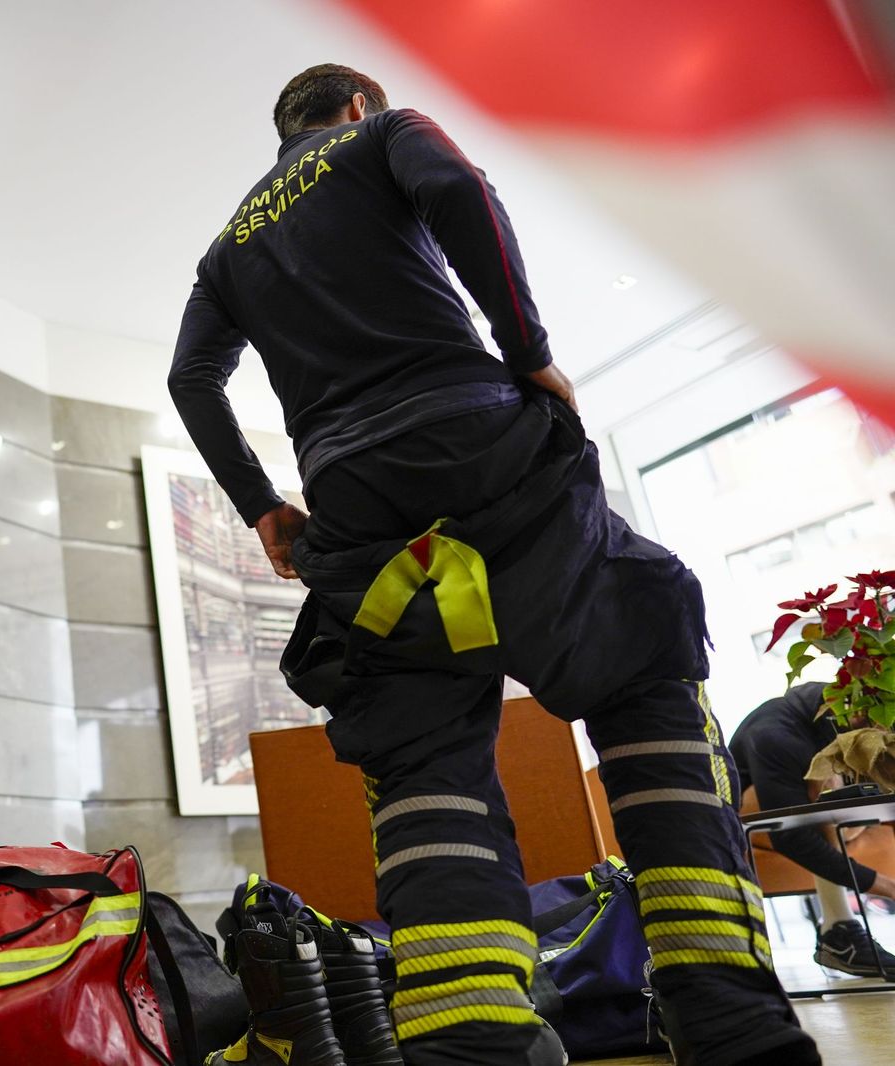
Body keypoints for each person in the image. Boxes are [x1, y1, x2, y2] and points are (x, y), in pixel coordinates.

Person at [168, 64, 819, 1066]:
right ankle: (725, 1017)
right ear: (354, 106)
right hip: (483, 453)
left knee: (423, 758)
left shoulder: (225, 249)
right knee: (645, 656)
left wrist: (262, 506)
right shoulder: (381, 136)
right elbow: (460, 191)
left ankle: (472, 1042)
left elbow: (192, 377)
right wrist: (526, 350)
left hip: (359, 517)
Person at [732, 681, 895, 976]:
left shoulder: (827, 712)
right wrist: (886, 886)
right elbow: (791, 837)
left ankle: (838, 926)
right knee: (823, 787)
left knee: (836, 783)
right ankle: (839, 928)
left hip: (815, 817)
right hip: (749, 825)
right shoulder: (777, 736)